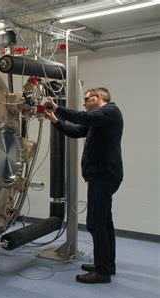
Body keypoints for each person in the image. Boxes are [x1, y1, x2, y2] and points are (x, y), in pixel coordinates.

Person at [43, 87, 123, 284]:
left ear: (98, 98)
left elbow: (83, 119)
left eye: (87, 100)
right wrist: (55, 121)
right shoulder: (99, 120)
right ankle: (106, 265)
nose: (84, 104)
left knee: (96, 223)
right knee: (104, 222)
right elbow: (77, 131)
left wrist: (57, 108)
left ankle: (102, 272)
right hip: (103, 175)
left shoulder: (110, 111)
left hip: (103, 176)